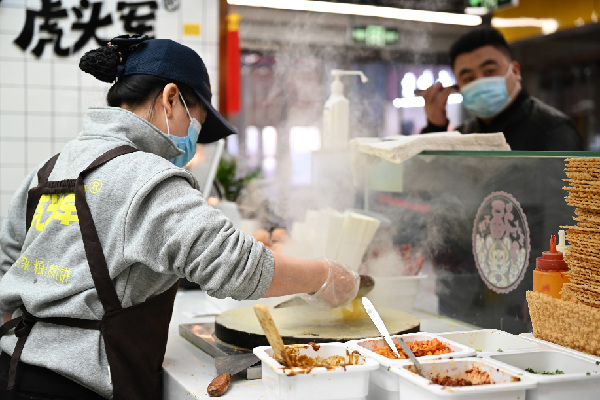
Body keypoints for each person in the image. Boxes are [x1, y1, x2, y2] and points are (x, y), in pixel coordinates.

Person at [0, 35, 360, 400]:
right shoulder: (146, 176)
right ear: (170, 99)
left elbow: (6, 263)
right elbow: (236, 266)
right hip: (79, 390)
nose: (194, 142)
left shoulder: (50, 170)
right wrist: (324, 275)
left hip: (12, 369)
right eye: (197, 124)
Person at [421, 27, 583, 151]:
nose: (480, 82)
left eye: (490, 71)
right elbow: (431, 186)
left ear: (515, 71)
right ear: (458, 86)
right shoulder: (464, 135)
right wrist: (435, 126)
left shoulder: (553, 130)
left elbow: (576, 193)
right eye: (468, 78)